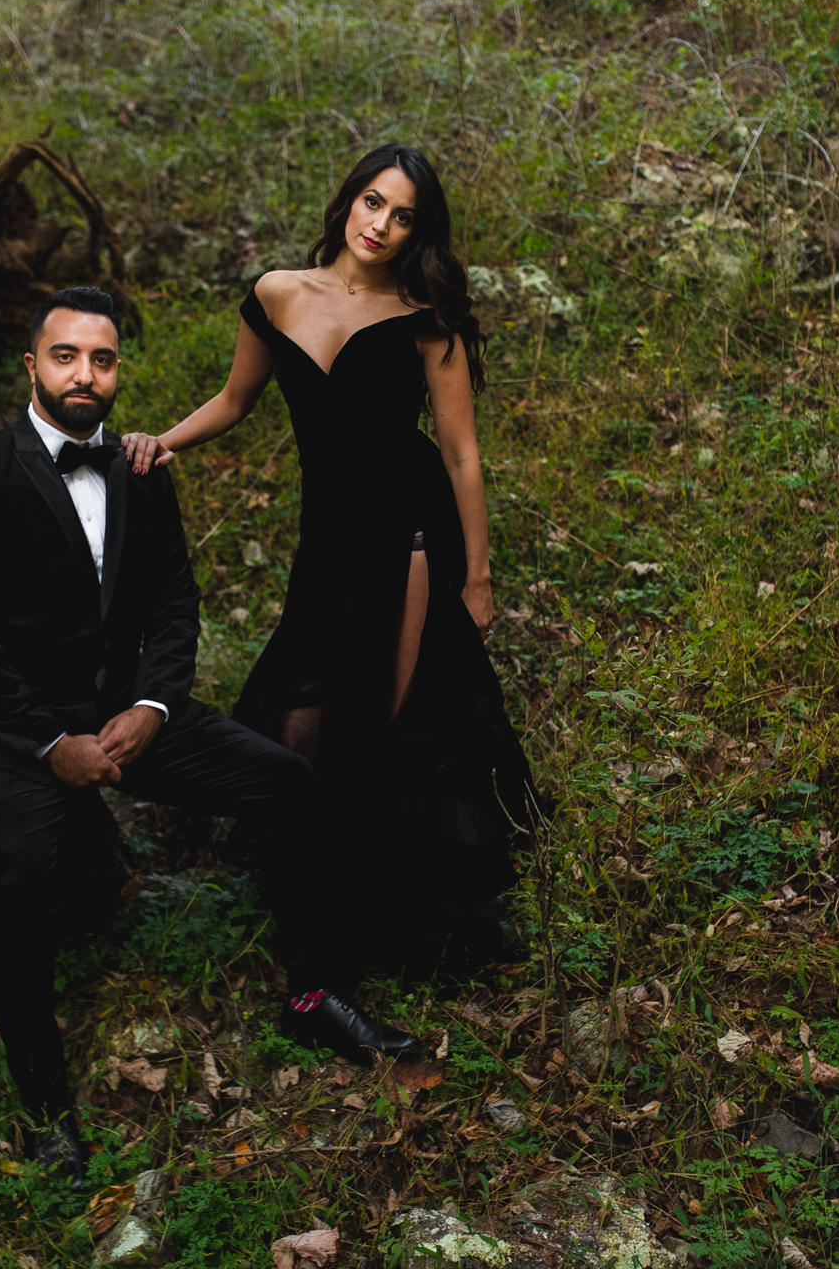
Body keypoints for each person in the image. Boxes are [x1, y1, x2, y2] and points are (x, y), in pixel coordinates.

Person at [0, 286, 415, 1187]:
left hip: (133, 719)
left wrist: (152, 710)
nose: (85, 374)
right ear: (31, 366)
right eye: (66, 356)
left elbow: (175, 602)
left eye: (102, 360)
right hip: (14, 738)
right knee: (17, 880)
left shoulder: (142, 473)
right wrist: (49, 745)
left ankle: (309, 990)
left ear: (117, 374)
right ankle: (43, 1110)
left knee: (289, 784)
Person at [122, 145, 536, 981]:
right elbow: (236, 401)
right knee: (304, 712)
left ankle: (391, 906)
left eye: (404, 215)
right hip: (328, 539)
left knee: (391, 714)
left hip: (409, 533)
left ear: (421, 230)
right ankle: (313, 884)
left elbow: (462, 458)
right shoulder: (278, 293)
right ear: (348, 201)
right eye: (373, 203)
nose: (382, 225)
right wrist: (158, 442)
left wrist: (478, 578)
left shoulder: (427, 315)